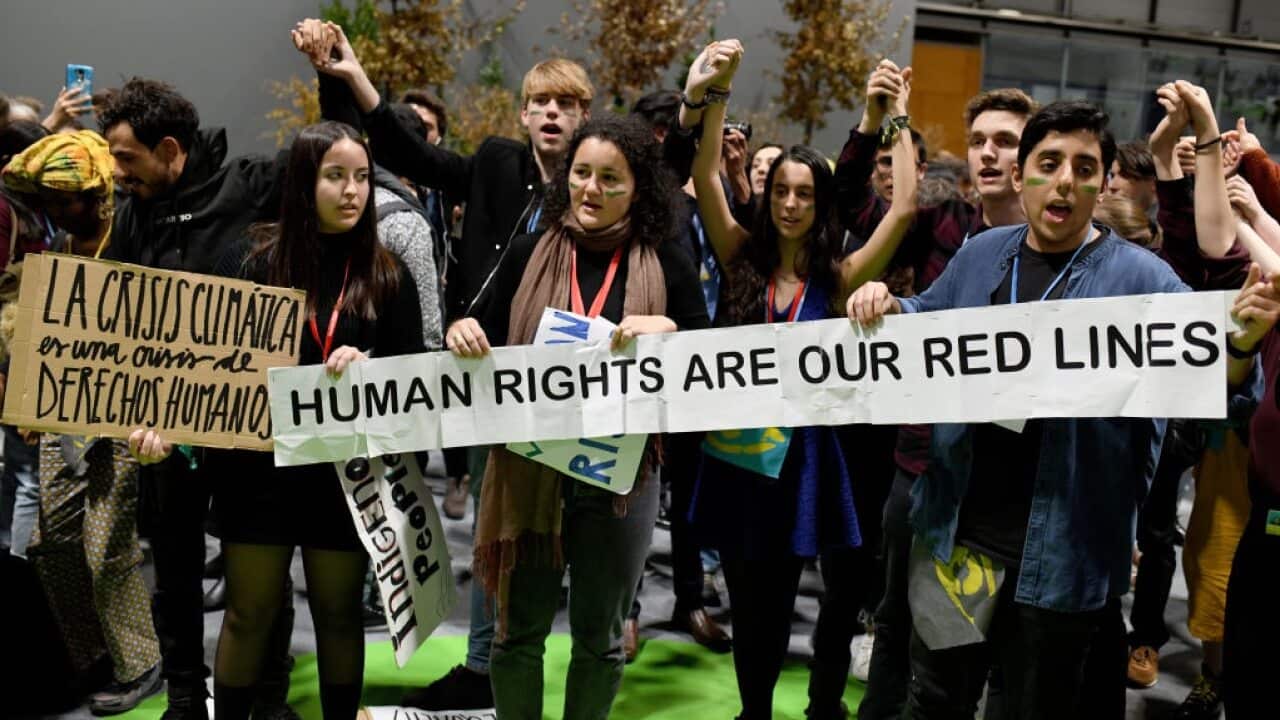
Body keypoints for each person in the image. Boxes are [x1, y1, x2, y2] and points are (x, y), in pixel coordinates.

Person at [846, 93, 1272, 720]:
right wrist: (884, 304)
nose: (1065, 181)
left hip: (1065, 558)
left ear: (1101, 184)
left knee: (1033, 708)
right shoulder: (982, 254)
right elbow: (925, 322)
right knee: (934, 700)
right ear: (1021, 177)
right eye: (1048, 164)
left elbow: (1220, 383)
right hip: (957, 540)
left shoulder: (1143, 280)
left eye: (1084, 167)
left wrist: (1239, 344)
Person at [291, 19, 598, 708]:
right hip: (488, 376)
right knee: (495, 529)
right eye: (540, 102)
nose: (552, 113)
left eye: (566, 103)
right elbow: (412, 153)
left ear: (585, 115)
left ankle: (582, 647)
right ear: (524, 114)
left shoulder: (596, 185)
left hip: (569, 382)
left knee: (572, 530)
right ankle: (484, 665)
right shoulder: (495, 163)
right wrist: (351, 74)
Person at [133, 121, 424, 720]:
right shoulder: (250, 260)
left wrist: (373, 369)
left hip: (345, 474)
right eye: (335, 176)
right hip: (256, 470)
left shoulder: (388, 275)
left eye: (362, 177)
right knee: (249, 613)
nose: (353, 190)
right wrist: (166, 430)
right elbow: (204, 368)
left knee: (338, 615)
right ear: (301, 183)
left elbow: (414, 379)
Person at [444, 113, 708, 719]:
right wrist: (462, 330)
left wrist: (669, 328)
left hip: (621, 478)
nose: (591, 189)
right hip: (530, 472)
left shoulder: (665, 259)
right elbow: (481, 331)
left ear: (638, 188)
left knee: (600, 639)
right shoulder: (528, 252)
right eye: (582, 173)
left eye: (610, 179)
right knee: (516, 635)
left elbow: (706, 355)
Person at [683, 40, 917, 720]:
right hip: (735, 457)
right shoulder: (739, 256)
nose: (790, 204)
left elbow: (904, 209)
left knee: (779, 602)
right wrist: (717, 93)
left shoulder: (838, 279)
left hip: (800, 467)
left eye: (805, 194)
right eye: (780, 190)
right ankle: (752, 712)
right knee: (744, 599)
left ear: (821, 204)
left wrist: (897, 118)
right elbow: (704, 177)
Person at [837, 65, 1038, 720]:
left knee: (985, 653)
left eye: (1005, 141)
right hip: (922, 466)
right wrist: (877, 119)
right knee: (895, 622)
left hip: (1009, 487)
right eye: (978, 141)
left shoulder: (1065, 255)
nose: (988, 154)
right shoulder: (944, 223)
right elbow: (852, 205)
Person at [96, 76, 293, 720]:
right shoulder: (132, 214)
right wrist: (132, 414)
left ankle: (268, 695)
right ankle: (184, 696)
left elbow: (329, 155)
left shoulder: (250, 186)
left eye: (126, 158)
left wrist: (335, 75)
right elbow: (112, 320)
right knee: (175, 570)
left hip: (250, 429)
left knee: (259, 571)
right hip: (166, 437)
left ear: (170, 150)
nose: (117, 172)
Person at [1, 130, 164, 715]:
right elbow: (44, 331)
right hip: (63, 416)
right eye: (46, 198)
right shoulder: (60, 247)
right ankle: (94, 653)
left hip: (122, 415)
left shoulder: (133, 240)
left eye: (64, 197)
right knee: (53, 545)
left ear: (95, 196)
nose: (53, 207)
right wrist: (27, 406)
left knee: (106, 548)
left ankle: (140, 663)